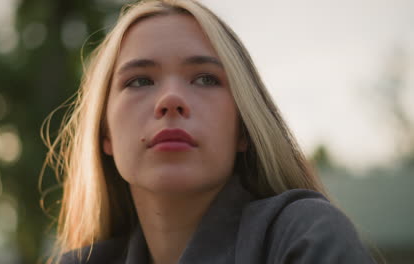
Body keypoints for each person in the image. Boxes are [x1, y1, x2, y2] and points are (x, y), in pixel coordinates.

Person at [41, 0, 376, 263]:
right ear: (106, 135)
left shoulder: (305, 236)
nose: (171, 100)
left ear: (243, 128)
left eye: (205, 79)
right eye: (139, 81)